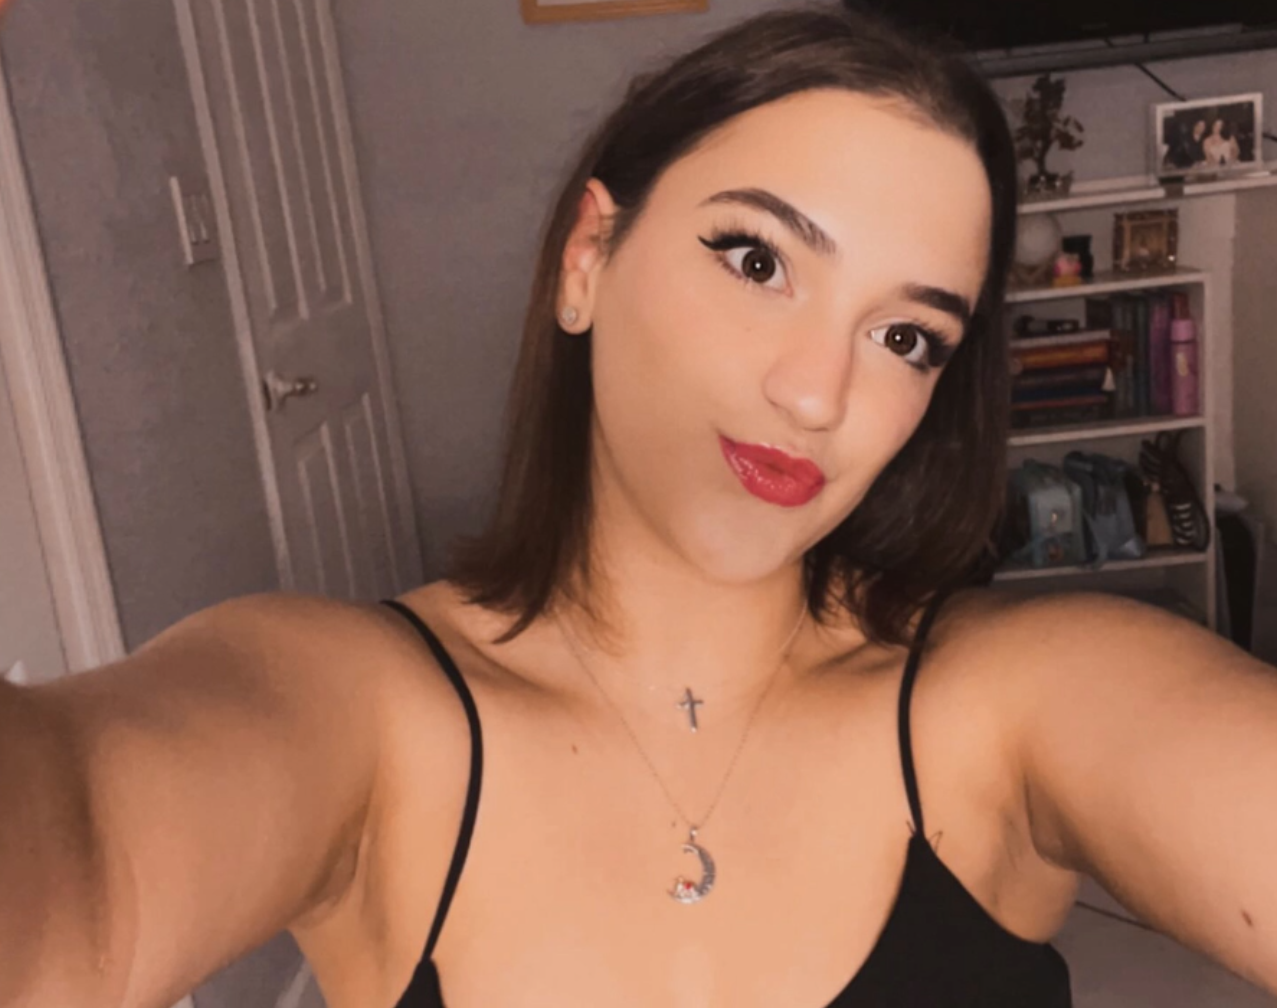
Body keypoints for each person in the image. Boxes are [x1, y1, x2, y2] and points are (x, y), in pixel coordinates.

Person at [2, 6, 1276, 1008]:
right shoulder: (362, 714)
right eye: (758, 260)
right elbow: (80, 866)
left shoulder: (1017, 701)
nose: (816, 393)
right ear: (586, 257)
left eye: (903, 336)